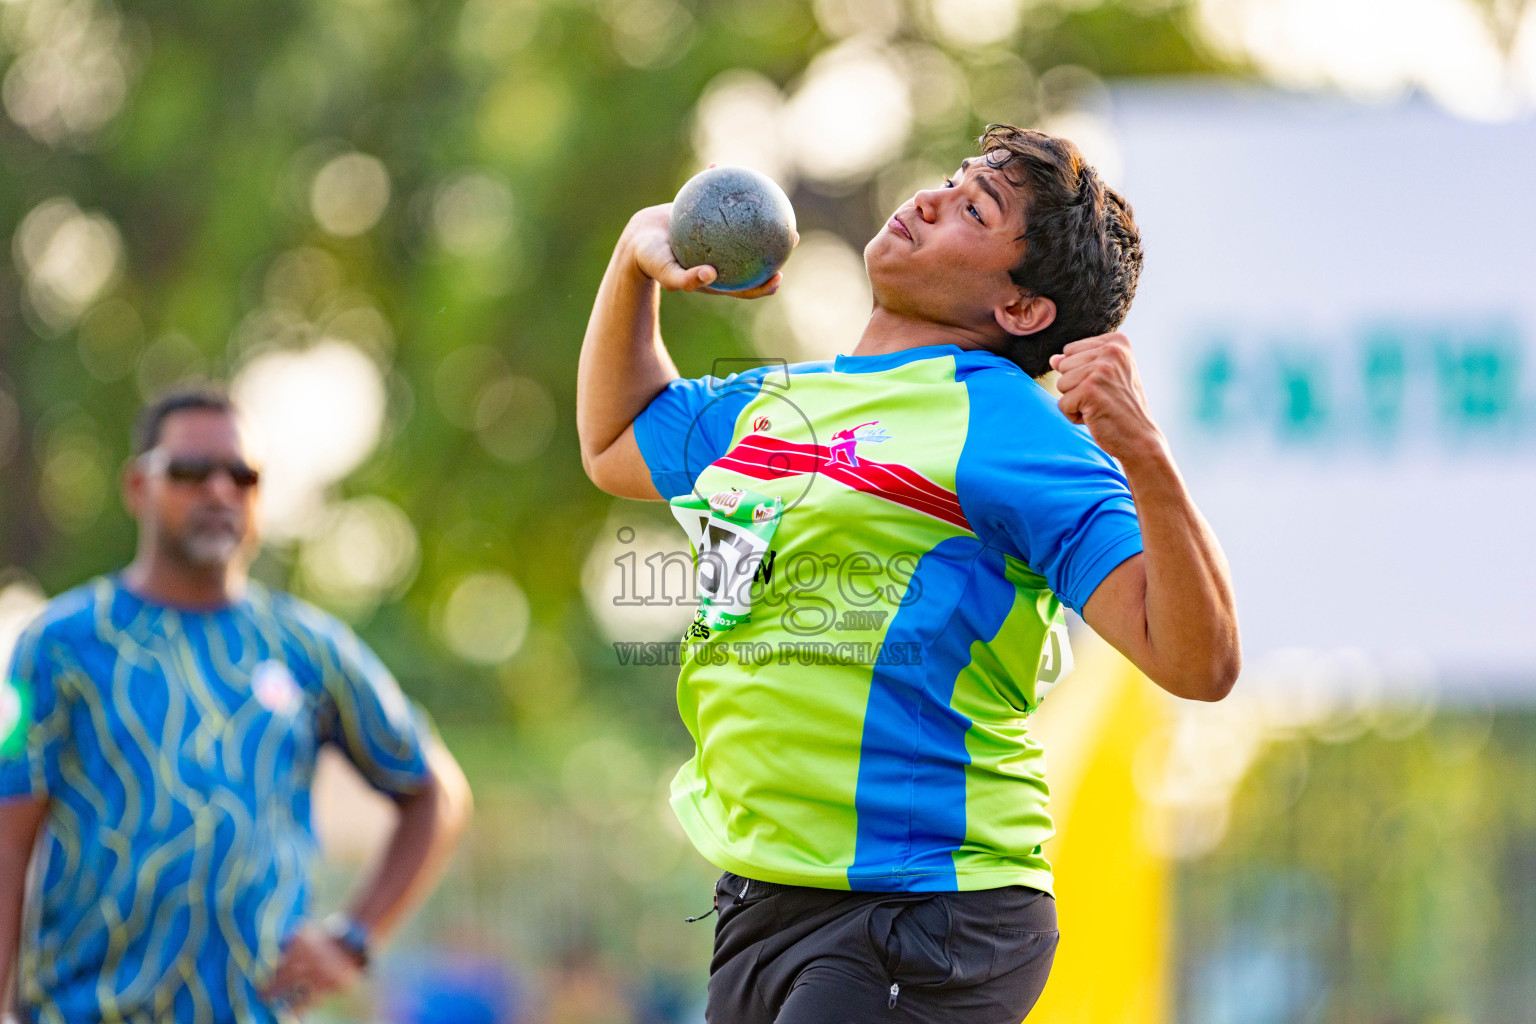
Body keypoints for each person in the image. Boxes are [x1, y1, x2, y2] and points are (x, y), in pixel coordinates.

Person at [575, 124, 1240, 1022]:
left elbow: (1198, 662)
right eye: (953, 179)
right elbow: (617, 440)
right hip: (763, 895)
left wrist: (1144, 454)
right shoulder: (781, 402)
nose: (930, 197)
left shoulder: (1009, 430)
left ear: (1022, 310)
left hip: (925, 905)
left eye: (974, 208)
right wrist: (632, 262)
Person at [0, 389, 472, 1023]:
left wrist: (355, 937)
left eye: (242, 476)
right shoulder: (59, 646)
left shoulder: (308, 648)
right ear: (139, 485)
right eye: (192, 473)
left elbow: (434, 790)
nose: (220, 491)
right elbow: (7, 840)